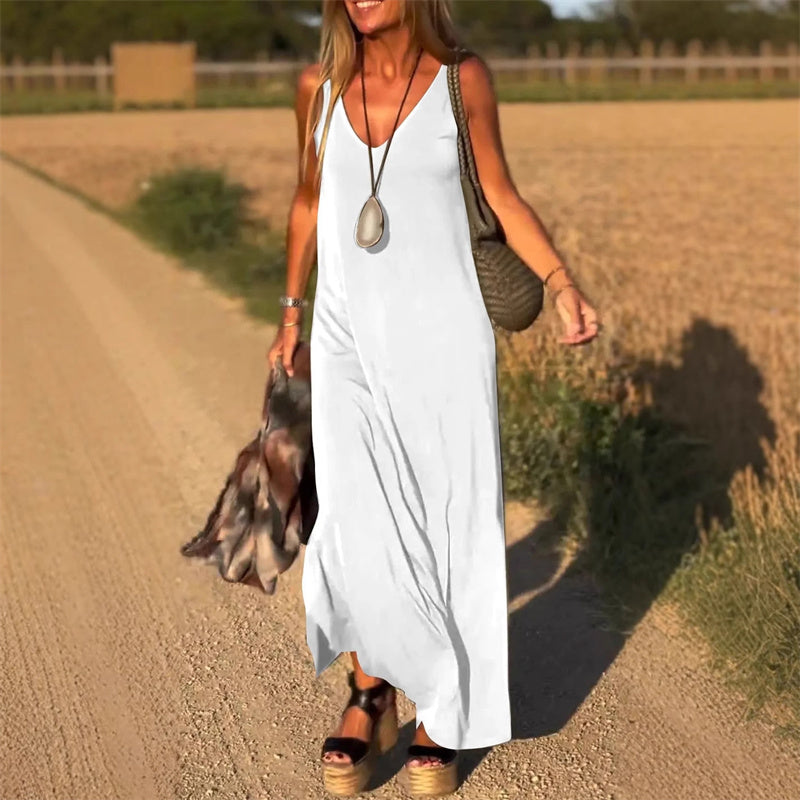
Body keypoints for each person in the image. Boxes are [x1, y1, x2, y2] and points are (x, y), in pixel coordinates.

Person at [267, 0, 600, 795]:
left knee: (450, 518)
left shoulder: (461, 80)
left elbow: (502, 195)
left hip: (445, 337)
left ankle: (443, 712)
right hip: (346, 336)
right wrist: (291, 313)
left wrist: (562, 284)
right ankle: (370, 691)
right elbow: (309, 200)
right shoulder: (317, 86)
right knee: (354, 519)